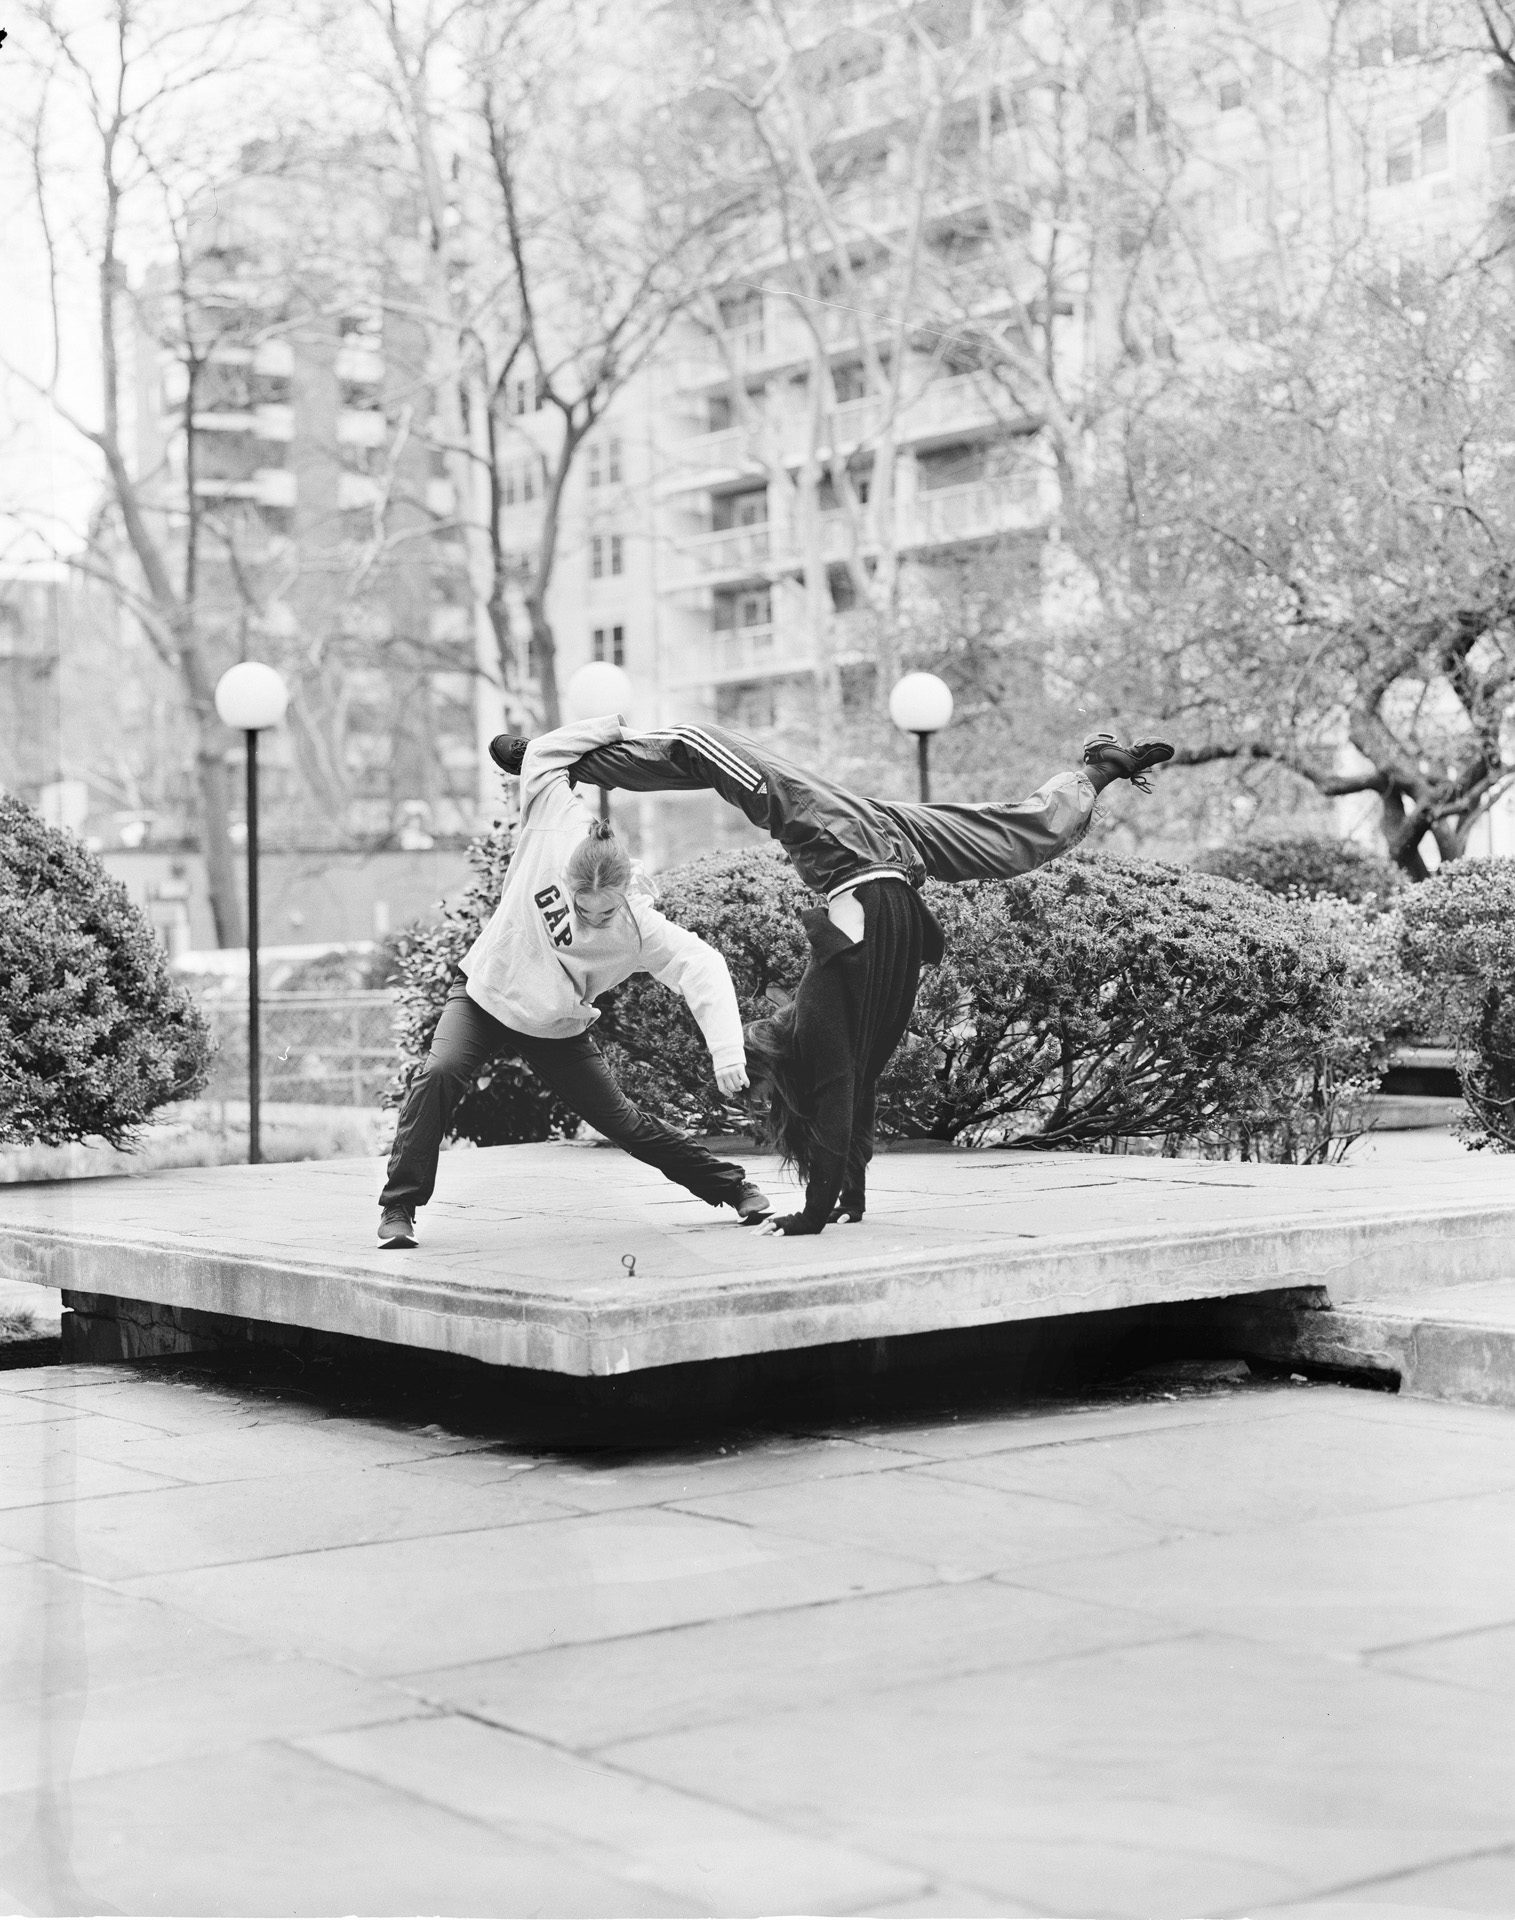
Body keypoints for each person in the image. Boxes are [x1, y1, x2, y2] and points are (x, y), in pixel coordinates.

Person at [489, 719, 1172, 1237]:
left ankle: (1093, 774)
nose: (764, 1019)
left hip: (894, 897)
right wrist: (816, 1212)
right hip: (856, 859)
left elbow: (852, 1101)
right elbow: (839, 1099)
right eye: (762, 1033)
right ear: (780, 1053)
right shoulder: (816, 1026)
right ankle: (561, 754)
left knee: (1007, 835)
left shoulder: (844, 1033)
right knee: (711, 749)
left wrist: (849, 1195)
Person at [376, 716, 773, 1248]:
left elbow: (703, 966)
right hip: (485, 993)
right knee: (440, 1073)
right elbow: (541, 755)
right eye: (581, 907)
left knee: (625, 1124)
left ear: (625, 891)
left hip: (556, 1027)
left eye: (603, 913)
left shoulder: (641, 929)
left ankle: (732, 1186)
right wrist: (610, 727)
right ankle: (399, 1208)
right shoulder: (555, 826)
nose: (591, 920)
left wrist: (727, 1055)